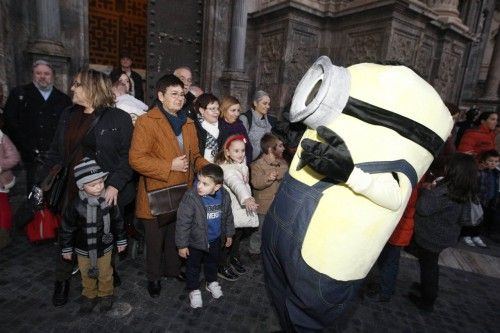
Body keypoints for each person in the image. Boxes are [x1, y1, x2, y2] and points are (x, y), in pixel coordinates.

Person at [39, 68, 134, 307]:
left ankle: (107, 272)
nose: (72, 88)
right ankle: (62, 280)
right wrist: (41, 183)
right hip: (71, 188)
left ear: (93, 88)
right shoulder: (68, 115)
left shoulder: (118, 118)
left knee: (105, 231)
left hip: (104, 190)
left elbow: (127, 157)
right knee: (68, 233)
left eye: (77, 84)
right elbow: (55, 152)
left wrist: (114, 185)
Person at [129, 74, 208, 298]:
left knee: (177, 235)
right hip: (156, 192)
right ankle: (153, 277)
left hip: (183, 191)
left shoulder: (188, 122)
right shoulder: (147, 121)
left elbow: (195, 157)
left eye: (182, 94)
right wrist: (168, 165)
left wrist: (208, 166)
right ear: (161, 95)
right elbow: (136, 159)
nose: (180, 99)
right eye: (174, 94)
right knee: (155, 241)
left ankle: (173, 270)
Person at [409, 153, 478, 312]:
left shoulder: (445, 190)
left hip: (431, 236)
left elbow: (423, 208)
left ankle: (428, 299)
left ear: (453, 170)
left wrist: (427, 190)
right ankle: (427, 288)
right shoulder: (464, 189)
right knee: (430, 264)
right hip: (446, 235)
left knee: (429, 266)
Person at [60, 158, 127, 313]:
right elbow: (67, 228)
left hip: (105, 247)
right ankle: (89, 295)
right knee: (86, 274)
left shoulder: (110, 200)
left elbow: (118, 221)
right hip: (83, 249)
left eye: (101, 182)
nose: (98, 187)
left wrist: (122, 239)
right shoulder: (75, 205)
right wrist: (67, 249)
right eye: (92, 185)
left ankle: (106, 294)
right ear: (82, 186)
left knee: (105, 272)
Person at [3, 60, 72, 193]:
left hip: (54, 154)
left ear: (53, 76)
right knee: (33, 191)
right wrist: (25, 146)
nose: (42, 76)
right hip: (29, 154)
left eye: (46, 73)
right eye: (38, 73)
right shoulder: (19, 94)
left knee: (54, 190)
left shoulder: (63, 99)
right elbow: (10, 122)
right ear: (33, 75)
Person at [175, 164, 235, 308]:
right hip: (195, 242)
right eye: (198, 181)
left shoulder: (224, 196)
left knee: (212, 263)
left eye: (205, 184)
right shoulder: (191, 197)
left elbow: (227, 216)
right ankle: (194, 289)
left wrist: (229, 233)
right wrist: (182, 245)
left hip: (215, 240)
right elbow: (183, 222)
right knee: (193, 266)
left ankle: (211, 281)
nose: (199, 186)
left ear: (217, 186)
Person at [215, 135, 259, 281]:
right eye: (236, 151)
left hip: (238, 211)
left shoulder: (240, 164)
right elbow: (236, 184)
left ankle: (233, 258)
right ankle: (222, 265)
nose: (240, 154)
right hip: (230, 211)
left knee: (237, 237)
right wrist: (246, 198)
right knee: (227, 239)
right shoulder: (227, 169)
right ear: (227, 152)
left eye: (242, 150)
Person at [365, 187, 418, 302]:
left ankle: (385, 292)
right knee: (387, 261)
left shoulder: (408, 186)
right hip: (397, 230)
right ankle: (385, 287)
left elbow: (399, 205)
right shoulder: (409, 184)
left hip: (398, 231)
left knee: (389, 263)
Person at [249, 133, 288, 257]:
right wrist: (268, 177)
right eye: (280, 146)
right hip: (263, 206)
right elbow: (256, 183)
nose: (284, 148)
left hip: (278, 204)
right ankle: (254, 250)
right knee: (259, 231)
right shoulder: (257, 165)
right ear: (271, 149)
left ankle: (270, 250)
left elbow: (285, 171)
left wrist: (275, 173)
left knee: (275, 230)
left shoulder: (282, 162)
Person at [466, 149, 500, 246]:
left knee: (482, 219)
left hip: (489, 200)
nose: (493, 164)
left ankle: (476, 235)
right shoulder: (479, 171)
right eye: (490, 161)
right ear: (484, 161)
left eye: (496, 161)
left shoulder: (496, 173)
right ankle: (467, 234)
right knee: (472, 218)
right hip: (477, 199)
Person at [240, 90, 277, 161]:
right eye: (264, 103)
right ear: (255, 103)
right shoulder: (245, 118)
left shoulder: (270, 120)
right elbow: (242, 140)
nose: (268, 106)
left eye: (268, 104)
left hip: (267, 160)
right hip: (250, 159)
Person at [0, 127, 20, 249]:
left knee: (3, 210)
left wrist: (0, 166)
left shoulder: (2, 137)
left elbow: (14, 157)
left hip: (0, 181)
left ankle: (3, 237)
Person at [218, 96, 252, 165]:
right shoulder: (218, 126)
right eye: (233, 110)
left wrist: (245, 164)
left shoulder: (240, 126)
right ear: (224, 110)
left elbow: (248, 147)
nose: (237, 114)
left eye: (238, 110)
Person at [193, 93, 220, 162]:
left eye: (218, 108)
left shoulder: (222, 126)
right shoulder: (194, 127)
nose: (217, 112)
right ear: (201, 110)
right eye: (212, 109)